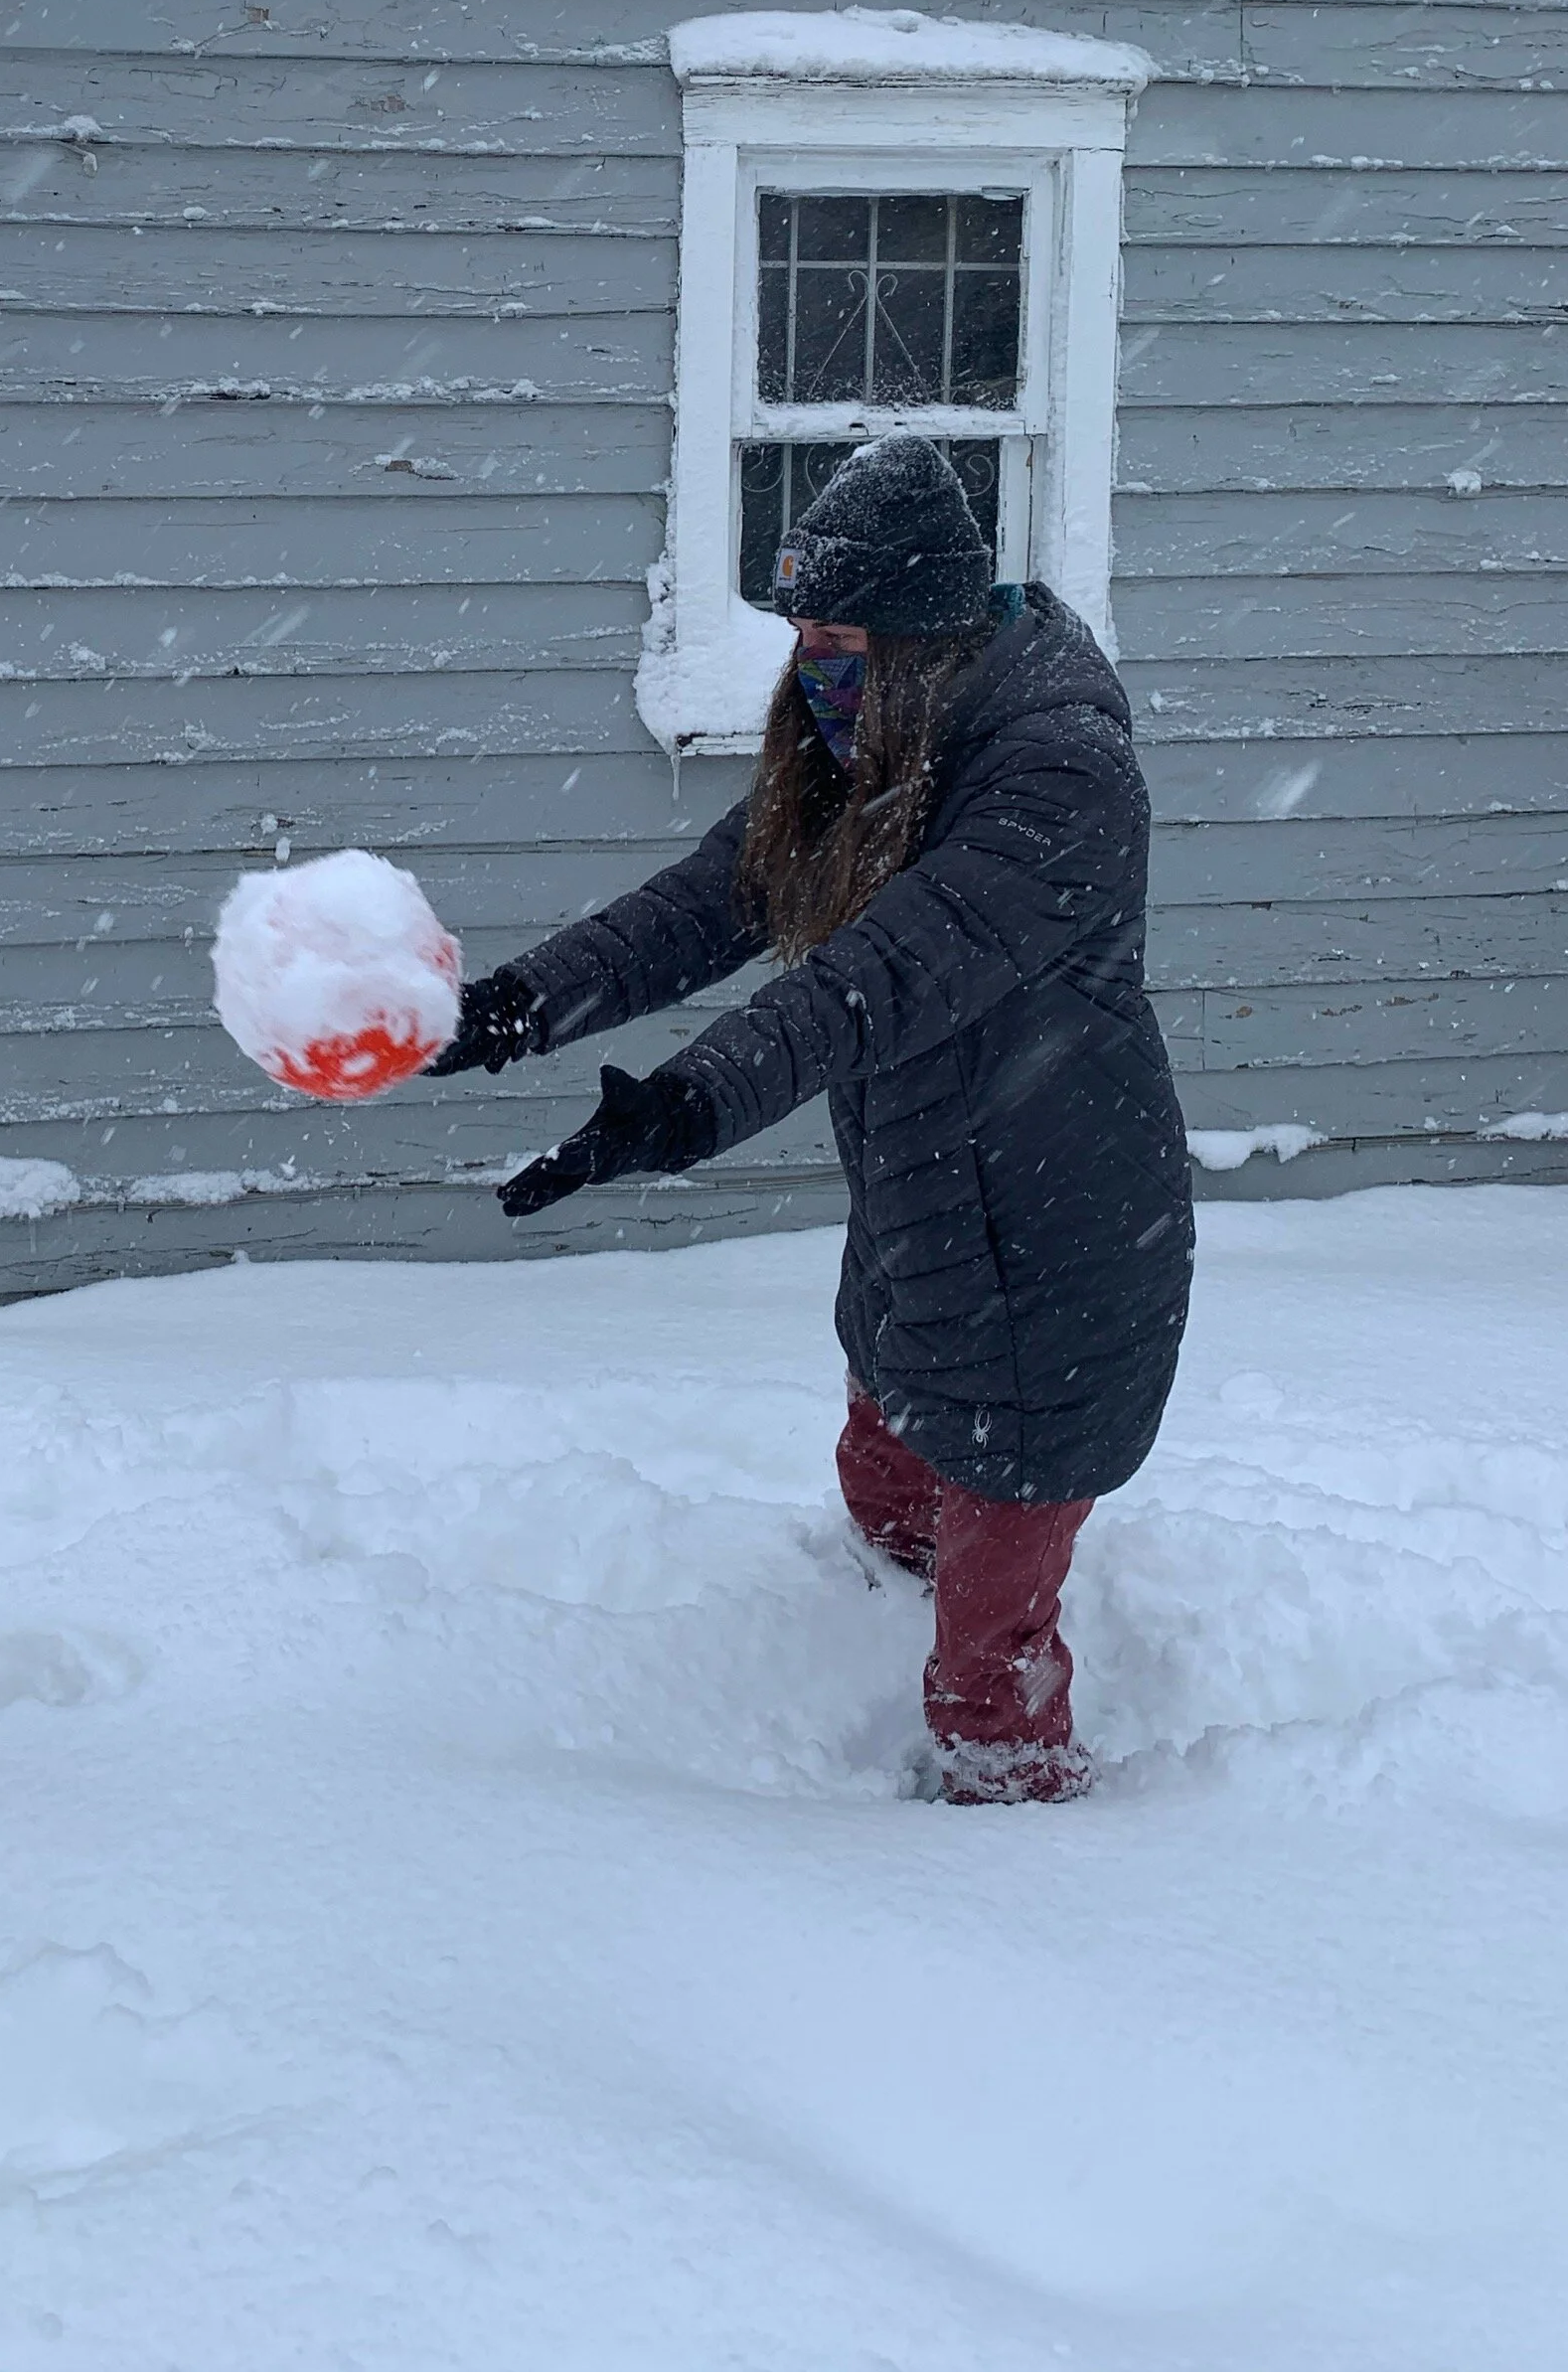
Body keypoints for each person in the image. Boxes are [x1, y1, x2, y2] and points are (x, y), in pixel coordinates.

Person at [426, 435, 1192, 1804]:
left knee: (986, 1633)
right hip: (922, 1194)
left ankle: (1020, 1849)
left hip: (1056, 1228)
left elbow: (878, 977)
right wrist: (510, 1011)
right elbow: (712, 898)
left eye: (836, 636)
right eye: (798, 634)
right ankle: (866, 1624)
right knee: (888, 1475)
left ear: (926, 633)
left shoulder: (1056, 778)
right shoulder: (874, 743)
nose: (812, 667)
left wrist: (683, 1105)